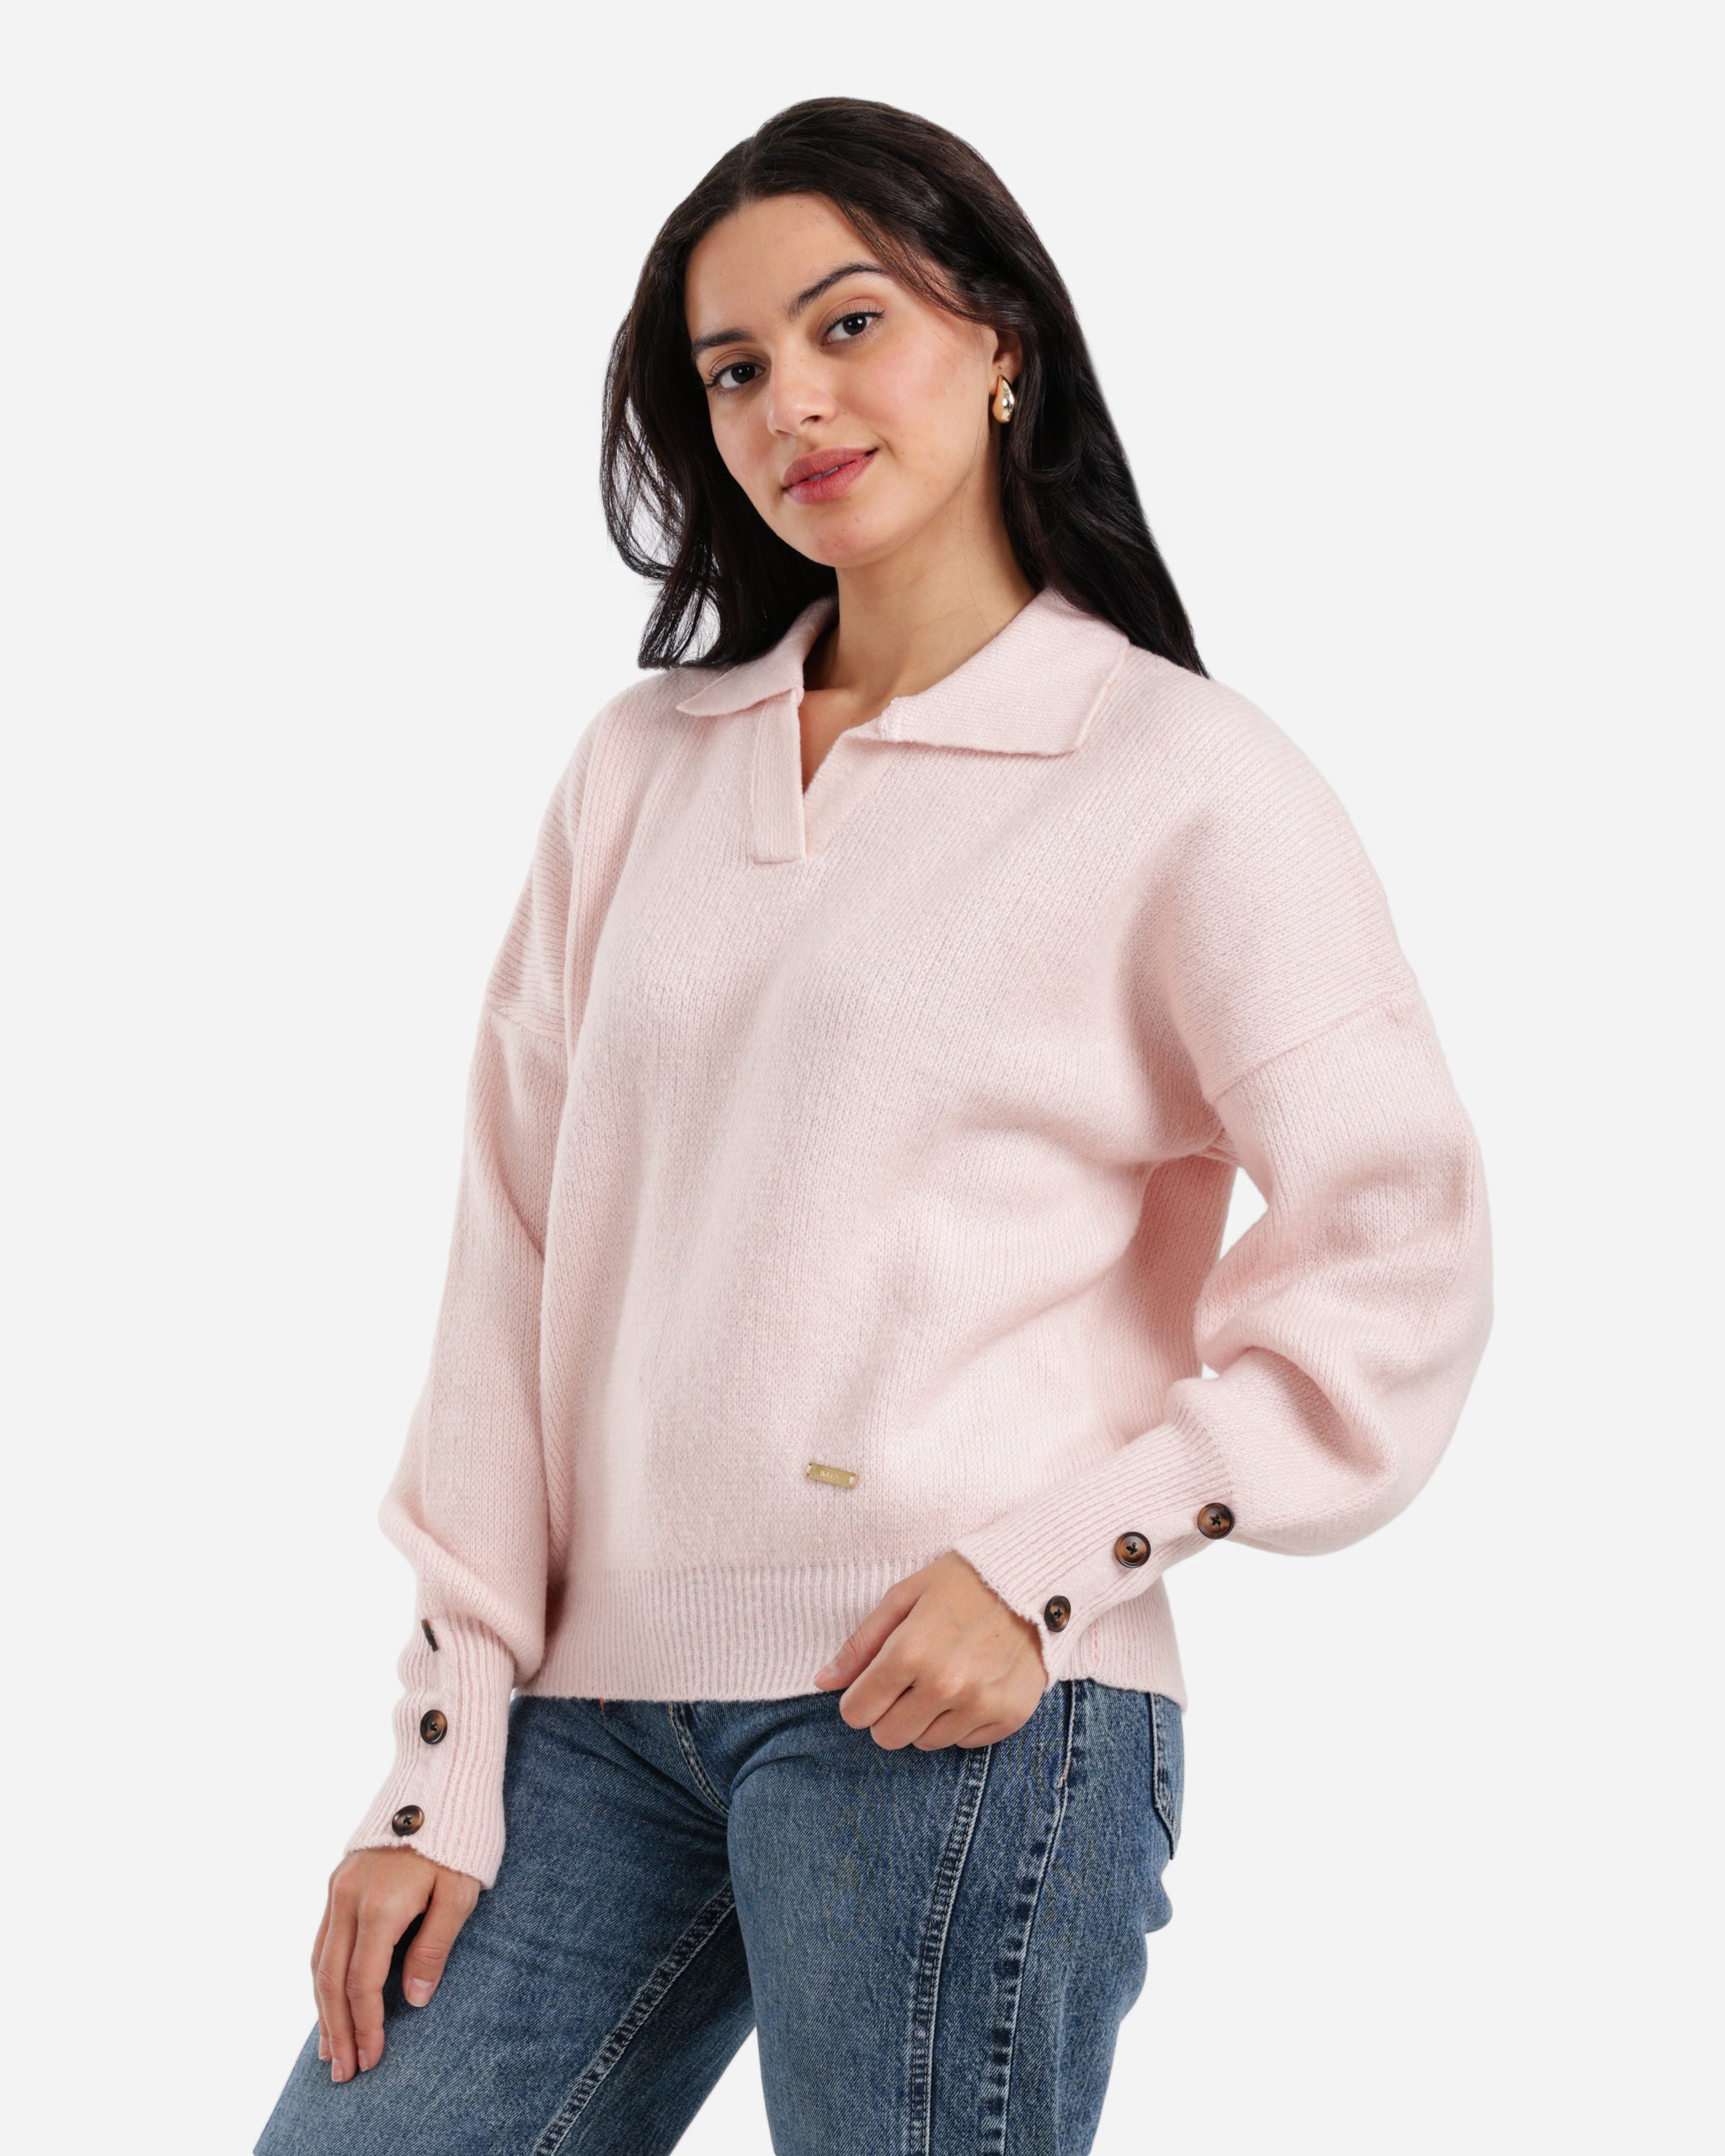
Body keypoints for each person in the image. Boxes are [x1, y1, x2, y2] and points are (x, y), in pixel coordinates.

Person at [255, 94, 1493, 2156]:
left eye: (849, 326)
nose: (791, 405)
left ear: (999, 339)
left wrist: (1053, 1565)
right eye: (732, 369)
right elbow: (511, 1259)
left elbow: (1398, 1247)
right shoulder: (642, 767)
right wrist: (437, 1750)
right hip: (583, 1725)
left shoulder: (1178, 773)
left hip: (956, 1711)